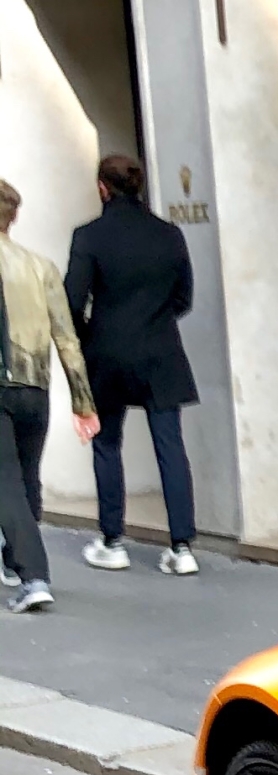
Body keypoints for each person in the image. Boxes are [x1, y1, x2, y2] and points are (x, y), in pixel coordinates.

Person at [66, 153, 201, 578]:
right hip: (161, 352)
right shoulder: (169, 235)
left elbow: (72, 299)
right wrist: (155, 323)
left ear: (103, 188)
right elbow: (184, 298)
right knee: (171, 447)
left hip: (107, 352)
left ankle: (112, 540)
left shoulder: (89, 236)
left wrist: (91, 334)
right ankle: (182, 548)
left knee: (107, 444)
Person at [0, 177, 100, 612]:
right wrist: (83, 402)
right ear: (14, 216)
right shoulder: (41, 266)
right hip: (35, 385)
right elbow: (67, 337)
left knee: (5, 483)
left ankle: (32, 575)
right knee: (26, 477)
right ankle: (13, 560)